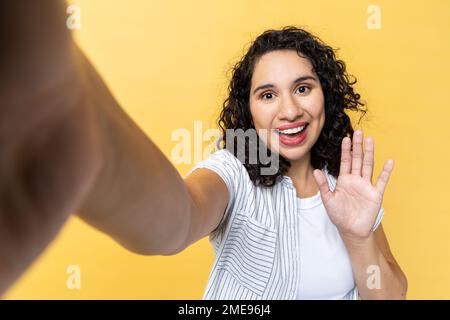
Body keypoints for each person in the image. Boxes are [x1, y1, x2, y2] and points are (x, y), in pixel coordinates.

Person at [0, 2, 406, 299]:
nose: (289, 110)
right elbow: (179, 218)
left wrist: (357, 236)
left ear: (325, 95)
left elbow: (391, 295)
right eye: (267, 95)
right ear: (248, 111)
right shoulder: (235, 170)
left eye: (303, 88)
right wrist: (90, 147)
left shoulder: (346, 185)